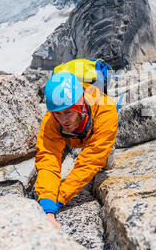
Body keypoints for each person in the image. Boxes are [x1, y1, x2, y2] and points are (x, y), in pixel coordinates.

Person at [35, 71, 118, 230]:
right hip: (67, 138)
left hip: (94, 135)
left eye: (68, 112)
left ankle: (109, 150)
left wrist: (59, 199)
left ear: (80, 104)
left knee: (104, 165)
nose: (63, 120)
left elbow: (90, 161)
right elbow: (48, 159)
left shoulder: (106, 110)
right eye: (58, 113)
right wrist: (47, 205)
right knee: (48, 167)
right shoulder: (51, 119)